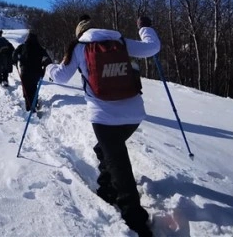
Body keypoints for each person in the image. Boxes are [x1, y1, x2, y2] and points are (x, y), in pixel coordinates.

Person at [45, 15, 160, 237]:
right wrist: (145, 26)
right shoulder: (120, 41)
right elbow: (152, 48)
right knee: (106, 149)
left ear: (79, 33)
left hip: (104, 117)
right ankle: (107, 187)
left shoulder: (79, 47)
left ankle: (134, 218)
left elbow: (60, 77)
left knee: (119, 163)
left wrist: (48, 65)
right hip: (134, 114)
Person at [13, 31, 52, 111]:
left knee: (26, 89)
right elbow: (48, 59)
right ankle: (34, 103)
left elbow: (14, 54)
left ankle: (29, 106)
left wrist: (15, 60)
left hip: (25, 72)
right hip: (36, 73)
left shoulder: (22, 47)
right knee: (33, 87)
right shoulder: (40, 48)